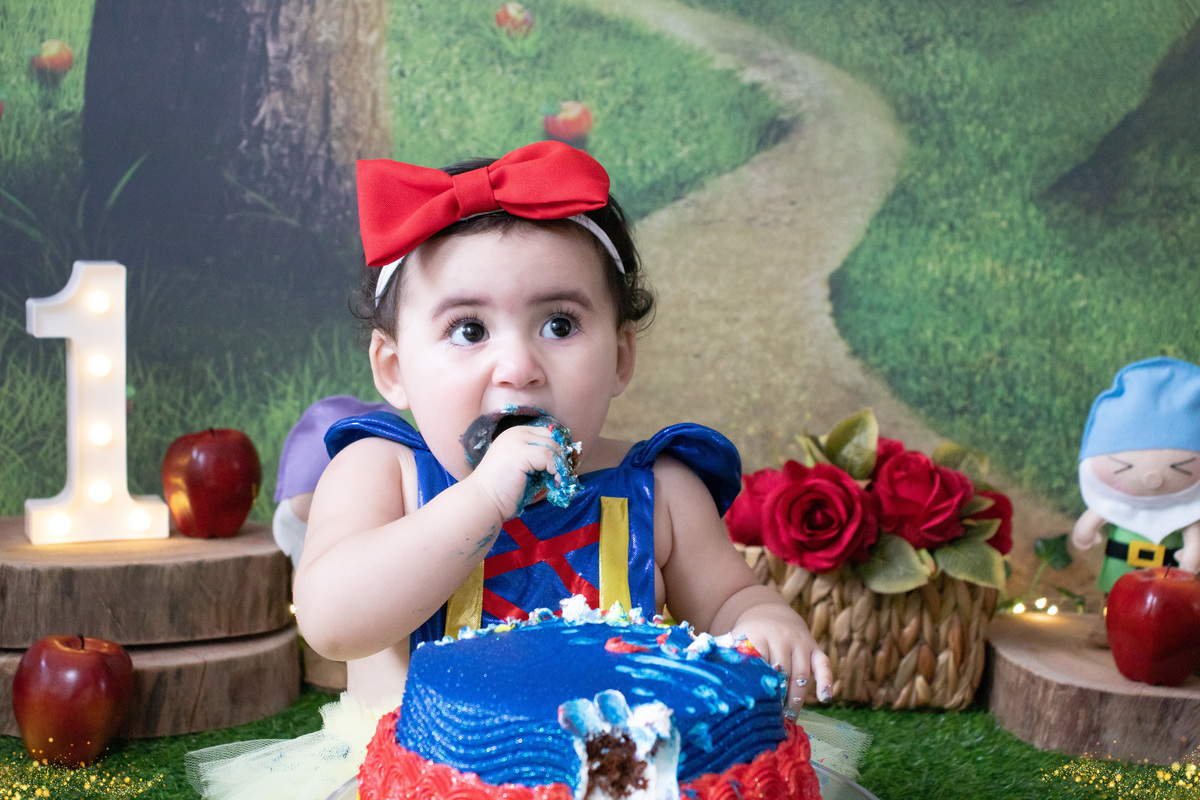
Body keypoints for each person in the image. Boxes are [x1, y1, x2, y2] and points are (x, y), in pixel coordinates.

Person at [188, 141, 836, 799]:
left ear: (619, 356)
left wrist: (764, 624)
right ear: (393, 369)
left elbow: (728, 598)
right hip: (406, 782)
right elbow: (331, 620)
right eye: (469, 331)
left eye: (559, 323)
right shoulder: (381, 473)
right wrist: (481, 499)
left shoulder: (660, 489)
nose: (518, 366)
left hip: (618, 780)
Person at [1072, 357, 1200, 602]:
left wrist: (1193, 555)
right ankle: (1108, 621)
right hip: (1122, 562)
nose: (1154, 478)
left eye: (1179, 466)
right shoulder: (1114, 502)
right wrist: (1085, 530)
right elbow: (1095, 516)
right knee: (1116, 595)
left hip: (1169, 574)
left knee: (1171, 602)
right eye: (1125, 466)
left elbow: (1194, 536)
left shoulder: (1189, 508)